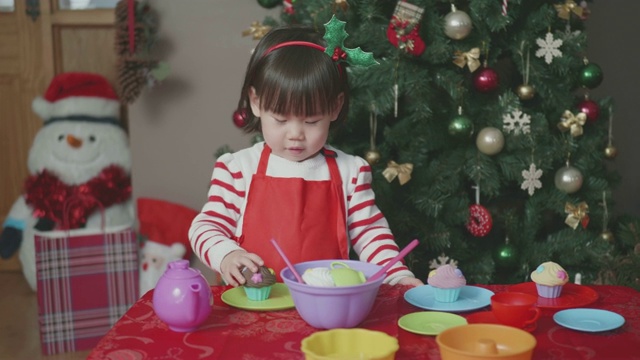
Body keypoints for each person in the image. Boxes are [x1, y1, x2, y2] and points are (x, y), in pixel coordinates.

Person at [189, 16, 423, 287]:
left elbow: (370, 233)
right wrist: (227, 254)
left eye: (311, 121)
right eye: (280, 119)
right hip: (251, 308)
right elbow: (204, 227)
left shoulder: (351, 172)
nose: (295, 134)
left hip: (327, 307)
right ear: (256, 102)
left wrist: (397, 276)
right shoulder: (237, 169)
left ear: (334, 108)